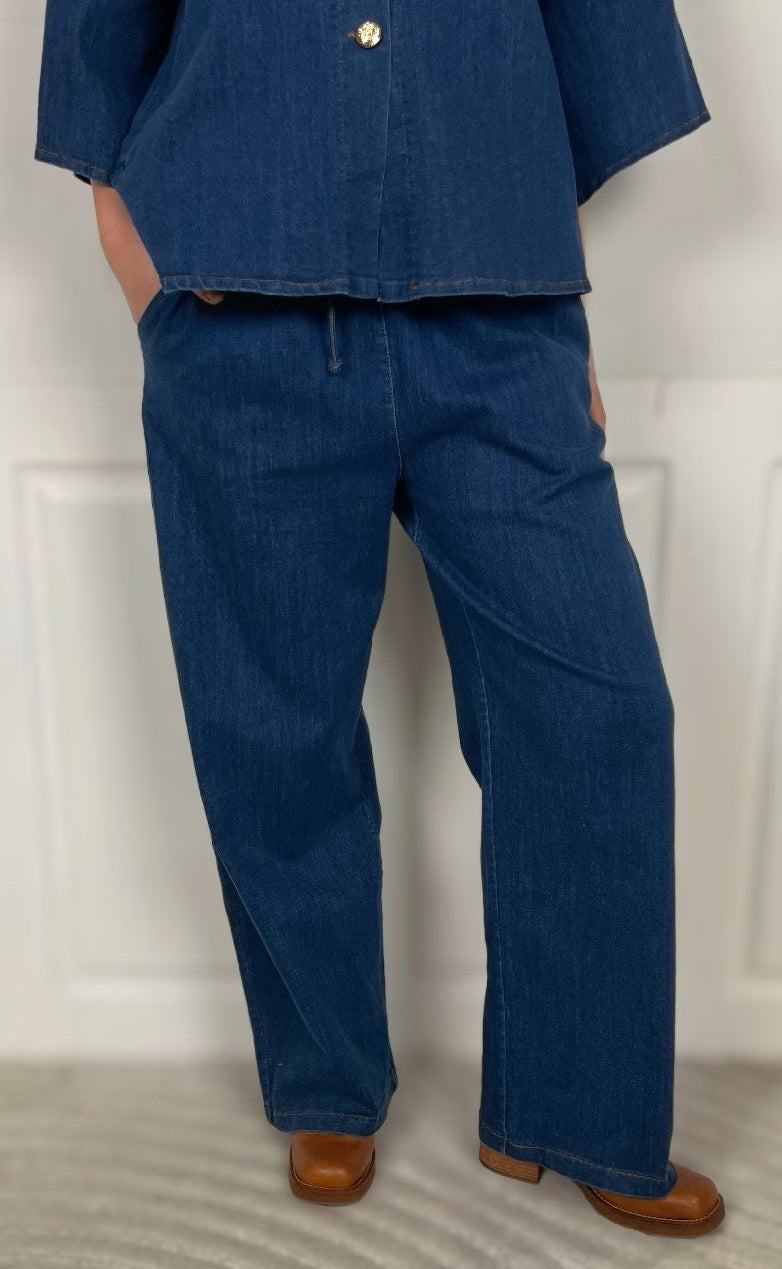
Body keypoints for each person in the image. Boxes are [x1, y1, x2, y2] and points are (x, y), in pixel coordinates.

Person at [34, 0, 725, 1238]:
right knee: (274, 731)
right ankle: (325, 1082)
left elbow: (586, 52)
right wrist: (153, 290)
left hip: (500, 322)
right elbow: (98, 53)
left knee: (597, 713)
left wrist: (551, 297)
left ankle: (578, 1109)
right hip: (241, 316)